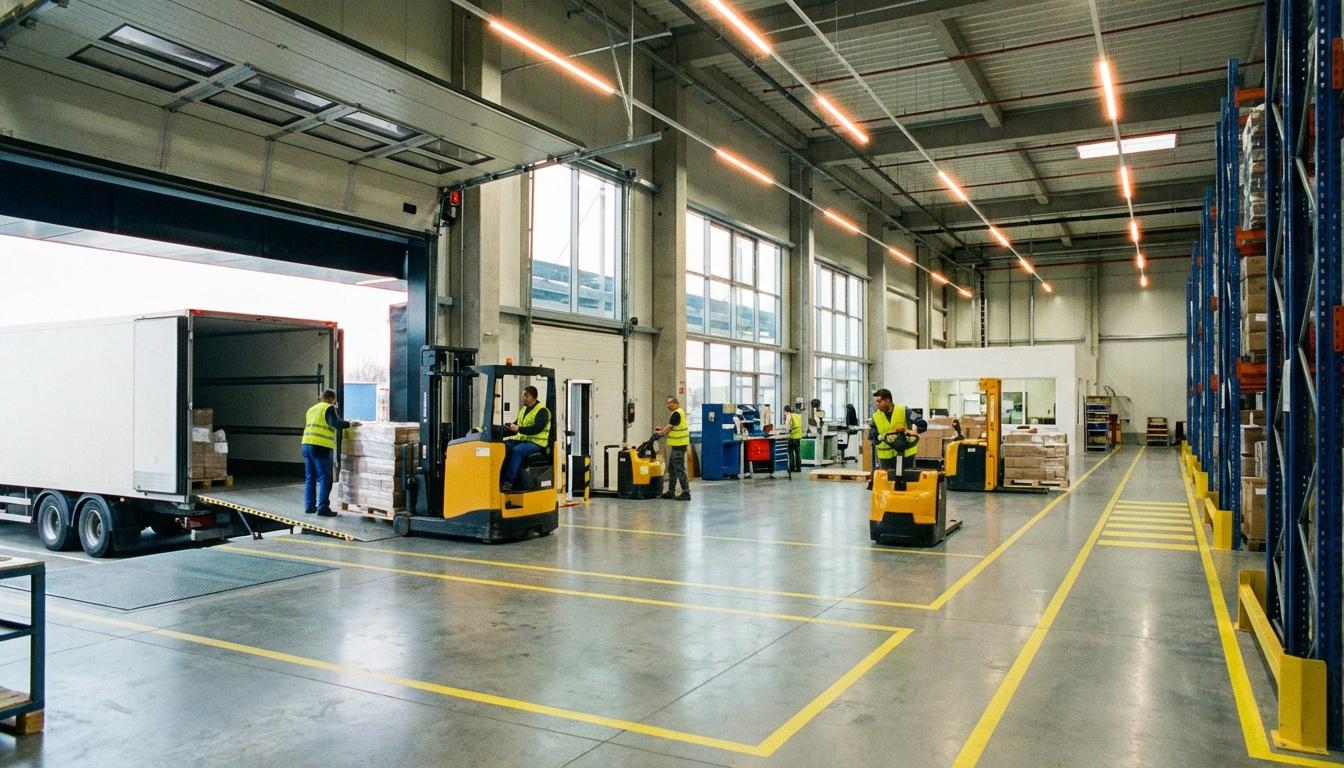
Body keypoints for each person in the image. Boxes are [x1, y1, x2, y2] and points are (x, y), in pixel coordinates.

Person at [301, 388, 358, 517]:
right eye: (334, 400)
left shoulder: (311, 409)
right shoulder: (328, 408)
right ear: (332, 398)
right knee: (325, 478)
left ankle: (309, 506)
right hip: (320, 446)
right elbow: (335, 423)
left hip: (306, 444)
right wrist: (350, 424)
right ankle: (323, 508)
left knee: (310, 477)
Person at [501, 385, 550, 492]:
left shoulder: (542, 411)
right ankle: (500, 478)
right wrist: (506, 428)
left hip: (537, 443)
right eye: (523, 395)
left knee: (517, 451)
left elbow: (536, 429)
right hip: (523, 440)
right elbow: (517, 424)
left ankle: (508, 482)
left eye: (526, 396)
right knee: (503, 447)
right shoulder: (524, 409)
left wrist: (518, 428)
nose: (523, 398)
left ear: (534, 397)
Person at [870, 388, 927, 479]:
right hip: (886, 456)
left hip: (905, 454)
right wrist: (875, 437)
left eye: (879, 401)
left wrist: (917, 430)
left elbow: (921, 422)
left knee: (907, 480)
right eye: (876, 402)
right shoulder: (876, 416)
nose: (876, 404)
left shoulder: (904, 410)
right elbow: (873, 432)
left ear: (888, 400)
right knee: (887, 482)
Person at [654, 396, 691, 500]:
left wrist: (660, 433)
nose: (668, 406)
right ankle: (671, 491)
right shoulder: (677, 413)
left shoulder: (677, 413)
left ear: (675, 403)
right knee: (672, 468)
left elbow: (670, 427)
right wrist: (662, 429)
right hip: (677, 445)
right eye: (667, 403)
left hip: (679, 445)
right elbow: (672, 427)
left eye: (669, 403)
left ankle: (686, 492)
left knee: (679, 468)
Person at [784, 405, 804, 473]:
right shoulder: (798, 415)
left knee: (791, 453)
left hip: (792, 437)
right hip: (798, 436)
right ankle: (798, 468)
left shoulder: (789, 415)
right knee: (798, 453)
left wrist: (786, 431)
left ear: (786, 411)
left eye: (785, 412)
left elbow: (787, 426)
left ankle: (792, 468)